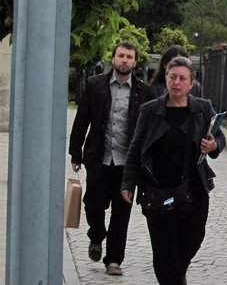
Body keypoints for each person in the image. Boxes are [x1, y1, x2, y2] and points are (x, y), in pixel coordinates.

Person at [121, 56, 226, 285]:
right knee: (163, 253)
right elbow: (136, 147)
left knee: (192, 240)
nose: (176, 82)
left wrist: (214, 145)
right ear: (165, 79)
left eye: (182, 78)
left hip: (194, 190)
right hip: (159, 191)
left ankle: (177, 276)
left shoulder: (202, 108)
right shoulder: (150, 110)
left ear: (191, 83)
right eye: (172, 77)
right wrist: (128, 183)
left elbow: (219, 137)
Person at [68, 40, 151, 276]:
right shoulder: (95, 86)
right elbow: (82, 119)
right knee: (93, 203)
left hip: (128, 163)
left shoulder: (143, 92)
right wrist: (76, 151)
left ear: (135, 62)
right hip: (99, 157)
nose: (124, 60)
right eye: (121, 56)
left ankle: (114, 259)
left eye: (129, 57)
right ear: (113, 58)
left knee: (121, 212)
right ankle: (96, 234)